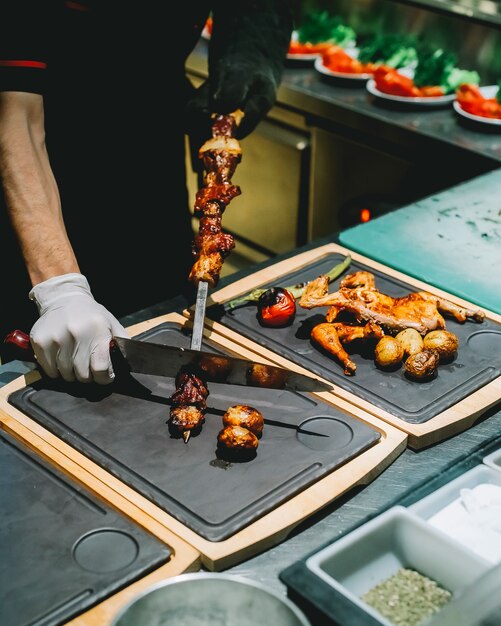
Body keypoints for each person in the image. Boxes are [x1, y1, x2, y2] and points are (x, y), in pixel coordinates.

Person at [0, 1, 293, 384]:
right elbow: (15, 116)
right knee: (55, 360)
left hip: (151, 136)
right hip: (45, 164)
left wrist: (251, 44)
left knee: (162, 314)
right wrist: (59, 288)